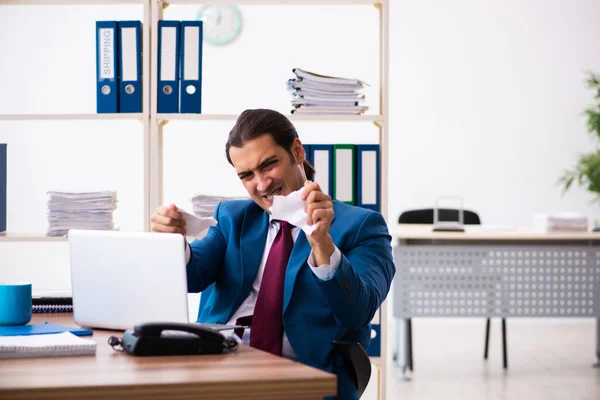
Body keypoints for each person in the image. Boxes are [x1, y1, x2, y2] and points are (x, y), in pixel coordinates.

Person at [151, 108, 395, 400]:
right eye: (247, 175)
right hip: (218, 368)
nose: (262, 184)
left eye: (269, 165)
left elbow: (358, 311)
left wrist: (321, 243)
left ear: (297, 150)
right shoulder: (233, 217)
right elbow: (195, 273)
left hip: (302, 380)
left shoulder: (361, 226)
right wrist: (173, 243)